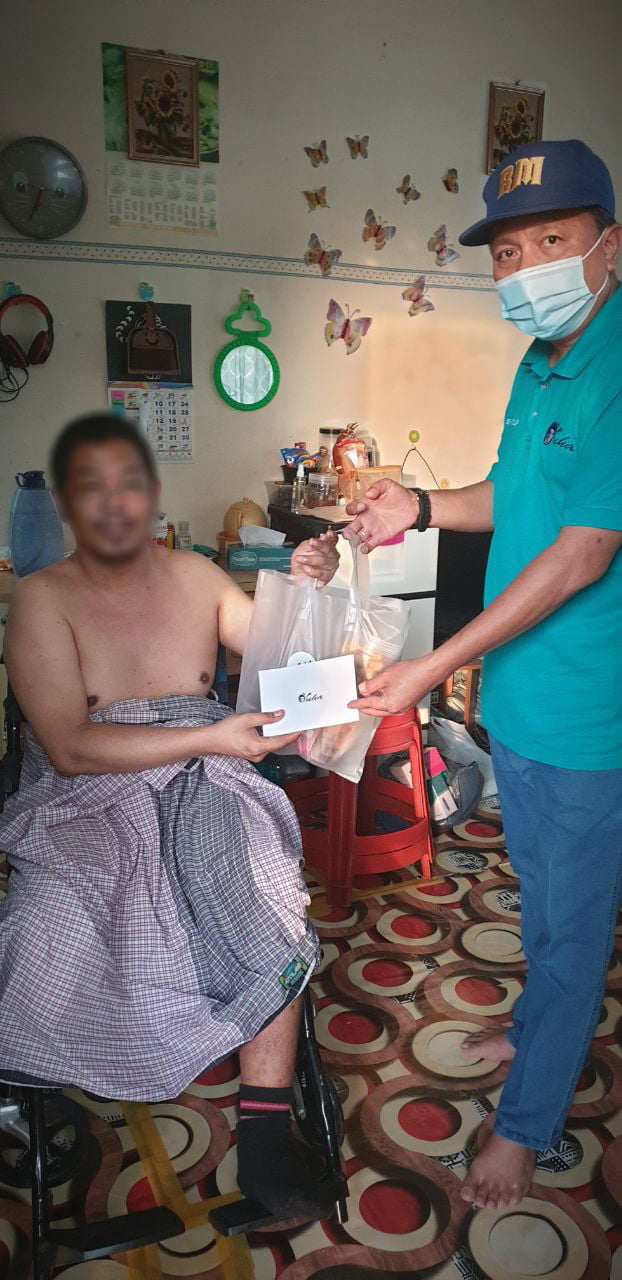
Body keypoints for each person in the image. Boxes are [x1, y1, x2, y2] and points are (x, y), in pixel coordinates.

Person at [345, 140, 622, 1212]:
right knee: (544, 898)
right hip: (520, 699)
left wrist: (432, 665)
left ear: (609, 247)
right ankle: (541, 1023)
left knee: (571, 924)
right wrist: (417, 505)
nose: (528, 267)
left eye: (553, 240)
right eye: (509, 251)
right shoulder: (543, 357)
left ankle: (527, 1122)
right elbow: (513, 493)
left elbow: (583, 551)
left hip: (587, 713)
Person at [0, 411, 340, 1221]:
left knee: (263, 884)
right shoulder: (40, 599)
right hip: (90, 785)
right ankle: (58, 1078)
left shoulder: (196, 575)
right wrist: (214, 735)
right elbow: (71, 747)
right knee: (54, 906)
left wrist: (308, 584)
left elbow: (275, 649)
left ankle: (264, 1136)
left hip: (206, 773)